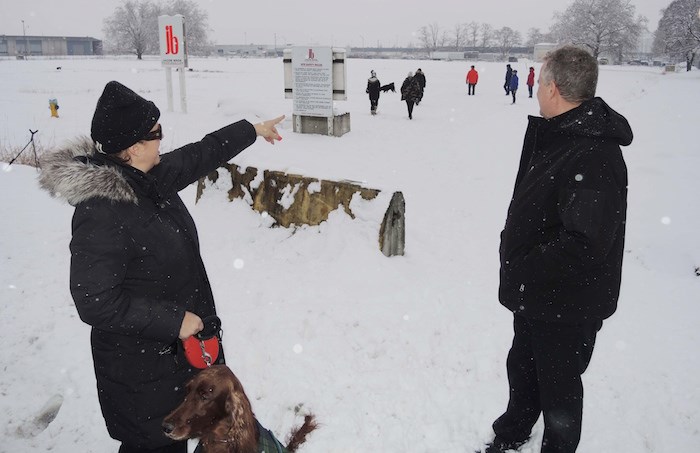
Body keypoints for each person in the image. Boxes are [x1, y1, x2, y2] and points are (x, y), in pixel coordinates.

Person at [38, 80, 284, 453]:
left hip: (174, 362)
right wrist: (175, 320)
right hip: (142, 375)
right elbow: (94, 299)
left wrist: (252, 129)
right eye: (157, 133)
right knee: (154, 447)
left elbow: (200, 154)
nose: (162, 141)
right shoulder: (101, 211)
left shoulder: (147, 178)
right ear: (134, 147)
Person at [480, 45, 633, 453]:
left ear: (553, 87)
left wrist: (525, 264)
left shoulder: (593, 153)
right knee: (524, 370)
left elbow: (585, 243)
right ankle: (512, 434)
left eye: (541, 81)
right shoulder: (559, 135)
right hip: (538, 294)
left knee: (560, 388)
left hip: (567, 301)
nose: (537, 89)